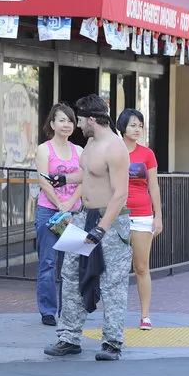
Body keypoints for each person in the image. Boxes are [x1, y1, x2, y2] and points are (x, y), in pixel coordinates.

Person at [43, 94, 131, 361]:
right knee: (69, 275)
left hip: (111, 223)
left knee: (112, 283)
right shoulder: (91, 142)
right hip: (83, 217)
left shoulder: (116, 148)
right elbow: (89, 173)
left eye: (80, 120)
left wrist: (102, 229)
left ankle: (112, 343)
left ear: (93, 119)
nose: (77, 125)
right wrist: (63, 178)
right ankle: (68, 337)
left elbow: (120, 195)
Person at [35, 103, 82, 327]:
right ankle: (47, 310)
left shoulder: (79, 151)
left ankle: (68, 310)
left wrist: (71, 203)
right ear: (52, 123)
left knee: (71, 264)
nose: (66, 125)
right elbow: (43, 180)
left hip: (74, 212)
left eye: (70, 120)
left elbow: (85, 180)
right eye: (61, 120)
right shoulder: (44, 149)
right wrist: (59, 204)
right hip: (48, 211)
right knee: (48, 262)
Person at [116, 109, 162, 330]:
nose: (137, 129)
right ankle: (115, 314)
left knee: (141, 267)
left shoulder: (147, 154)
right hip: (116, 215)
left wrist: (158, 216)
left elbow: (153, 186)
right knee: (115, 268)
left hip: (142, 215)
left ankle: (145, 316)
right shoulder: (113, 151)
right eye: (133, 125)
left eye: (140, 125)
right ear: (122, 126)